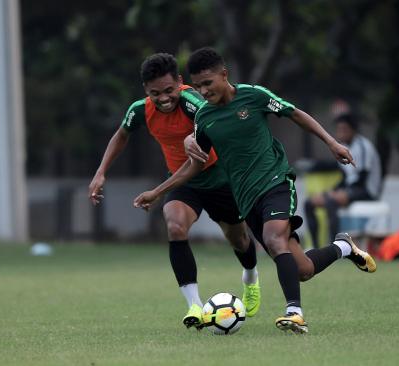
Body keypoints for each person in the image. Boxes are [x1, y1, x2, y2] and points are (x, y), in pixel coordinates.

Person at [134, 47, 376, 334]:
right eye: (197, 86)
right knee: (303, 269)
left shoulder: (254, 95)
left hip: (275, 181)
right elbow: (194, 166)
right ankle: (344, 247)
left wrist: (332, 143)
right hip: (246, 199)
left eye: (208, 83)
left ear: (224, 75)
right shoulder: (205, 118)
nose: (203, 90)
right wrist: (158, 191)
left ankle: (294, 313)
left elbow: (295, 114)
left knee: (274, 240)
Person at [88, 53, 261, 330]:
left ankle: (251, 278)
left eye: (169, 90)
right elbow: (121, 134)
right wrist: (100, 172)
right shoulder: (140, 110)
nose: (164, 98)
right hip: (184, 183)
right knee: (176, 227)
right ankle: (194, 305)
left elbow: (208, 127)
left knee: (238, 240)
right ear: (146, 90)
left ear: (180, 83)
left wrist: (192, 138)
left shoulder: (193, 102)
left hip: (220, 180)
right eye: (155, 93)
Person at [304, 113, 382, 248]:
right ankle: (315, 247)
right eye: (339, 129)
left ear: (353, 130)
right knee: (309, 203)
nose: (340, 133)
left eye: (344, 129)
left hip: (367, 190)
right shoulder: (342, 147)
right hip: (351, 189)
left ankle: (334, 247)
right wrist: (333, 191)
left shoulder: (364, 146)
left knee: (330, 201)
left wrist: (338, 194)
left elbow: (361, 179)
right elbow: (345, 177)